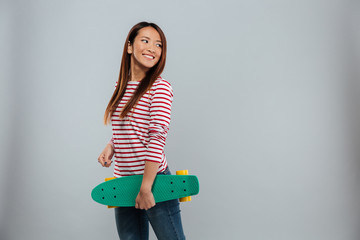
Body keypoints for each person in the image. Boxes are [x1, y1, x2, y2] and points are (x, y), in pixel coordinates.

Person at [97, 21, 186, 240]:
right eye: (145, 41)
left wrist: (146, 188)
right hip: (125, 181)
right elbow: (128, 127)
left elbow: (156, 137)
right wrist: (111, 146)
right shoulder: (121, 86)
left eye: (158, 45)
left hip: (154, 182)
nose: (152, 48)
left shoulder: (160, 87)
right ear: (129, 47)